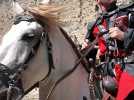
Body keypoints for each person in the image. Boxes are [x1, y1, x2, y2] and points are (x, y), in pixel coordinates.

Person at [81, 0, 134, 99]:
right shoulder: (95, 25)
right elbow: (89, 59)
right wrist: (86, 49)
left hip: (130, 70)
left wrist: (124, 36)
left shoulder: (129, 13)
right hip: (107, 76)